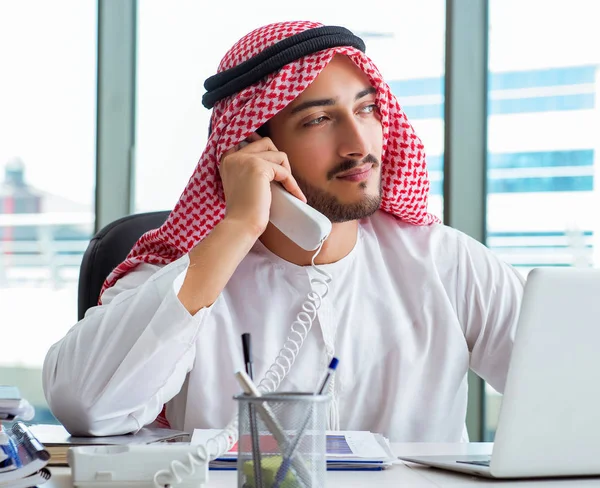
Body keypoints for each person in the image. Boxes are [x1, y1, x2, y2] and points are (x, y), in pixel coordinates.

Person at [43, 21, 524, 442]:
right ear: (251, 145)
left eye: (366, 110)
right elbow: (87, 408)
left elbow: (573, 390)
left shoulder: (447, 263)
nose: (359, 144)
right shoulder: (183, 274)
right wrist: (238, 226)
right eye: (319, 119)